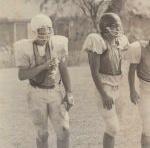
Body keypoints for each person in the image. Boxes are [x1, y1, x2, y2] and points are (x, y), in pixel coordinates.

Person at [14, 14, 74, 148]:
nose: (44, 39)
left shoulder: (58, 44)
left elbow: (63, 69)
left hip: (55, 90)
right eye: (41, 35)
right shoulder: (25, 47)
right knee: (42, 133)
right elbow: (22, 75)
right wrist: (43, 67)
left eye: (47, 34)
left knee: (64, 130)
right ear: (34, 33)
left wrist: (69, 92)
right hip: (35, 92)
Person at [82, 13, 129, 148]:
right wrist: (103, 94)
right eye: (115, 26)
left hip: (118, 87)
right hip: (105, 87)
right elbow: (94, 71)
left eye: (118, 25)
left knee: (115, 128)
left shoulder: (119, 42)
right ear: (106, 28)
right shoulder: (97, 41)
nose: (118, 28)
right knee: (113, 127)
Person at [128, 40, 150, 148]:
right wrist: (132, 90)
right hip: (145, 90)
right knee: (147, 128)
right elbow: (131, 70)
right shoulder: (139, 48)